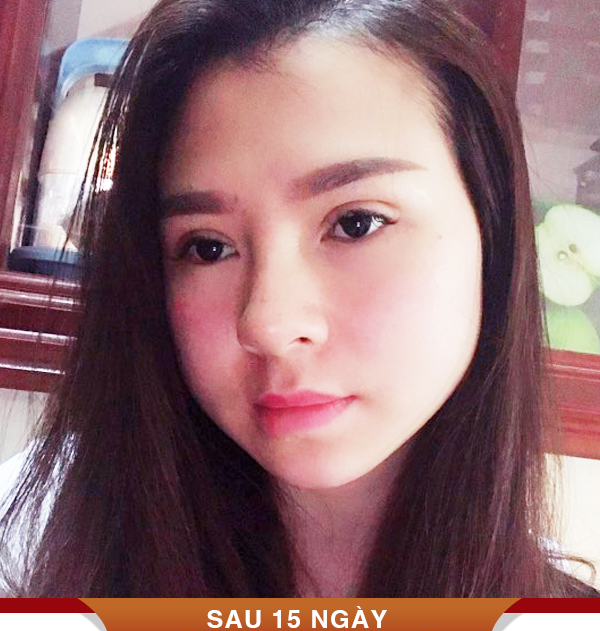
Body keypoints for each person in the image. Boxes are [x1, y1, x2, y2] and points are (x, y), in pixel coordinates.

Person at [0, 0, 595, 597]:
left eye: (356, 223)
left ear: (491, 232)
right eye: (208, 247)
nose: (267, 322)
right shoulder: (36, 561)